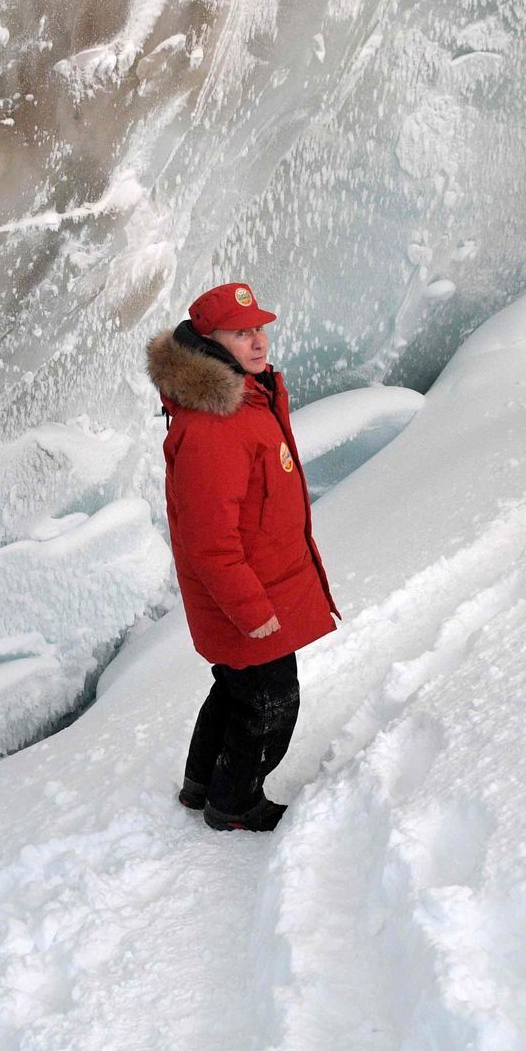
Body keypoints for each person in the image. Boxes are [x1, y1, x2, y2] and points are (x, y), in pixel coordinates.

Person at [146, 282, 339, 831]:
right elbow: (211, 543)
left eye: (259, 328)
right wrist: (252, 612)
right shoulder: (214, 427)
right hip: (248, 600)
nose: (258, 342)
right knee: (270, 704)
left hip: (260, 586)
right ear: (209, 342)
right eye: (241, 333)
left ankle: (201, 785)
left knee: (235, 689)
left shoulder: (246, 398)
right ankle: (233, 805)